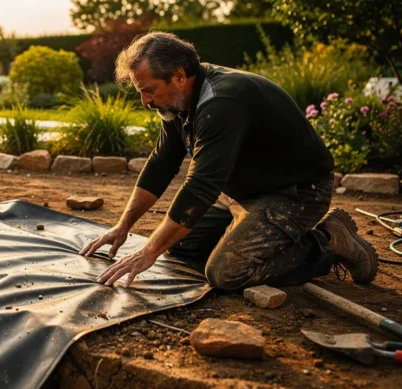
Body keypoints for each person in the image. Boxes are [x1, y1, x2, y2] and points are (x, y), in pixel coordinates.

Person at [80, 31, 378, 289]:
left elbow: (200, 188)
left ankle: (327, 242)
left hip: (296, 192)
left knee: (226, 273)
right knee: (180, 245)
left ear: (179, 76)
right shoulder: (177, 101)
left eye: (148, 90)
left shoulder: (221, 103)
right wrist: (123, 226)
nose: (145, 101)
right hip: (243, 191)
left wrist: (147, 252)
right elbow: (161, 164)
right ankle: (250, 231)